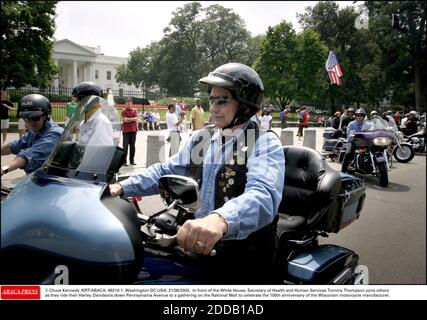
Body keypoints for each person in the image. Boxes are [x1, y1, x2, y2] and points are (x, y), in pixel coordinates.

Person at [109, 63, 285, 283]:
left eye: (222, 100)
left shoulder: (262, 142)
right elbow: (167, 170)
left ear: (245, 104)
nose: (214, 108)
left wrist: (220, 220)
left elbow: (263, 195)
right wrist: (120, 187)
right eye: (212, 100)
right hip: (193, 244)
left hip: (239, 255)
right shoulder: (204, 138)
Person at [1, 94, 64, 176]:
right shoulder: (35, 130)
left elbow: (28, 155)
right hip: (36, 180)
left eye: (35, 118)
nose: (30, 123)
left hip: (52, 183)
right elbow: (16, 145)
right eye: (26, 118)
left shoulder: (55, 134)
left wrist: (3, 169)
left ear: (45, 116)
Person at [72, 81, 114, 146]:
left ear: (90, 101)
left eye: (78, 100)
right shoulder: (83, 123)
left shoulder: (101, 122)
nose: (76, 104)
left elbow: (102, 152)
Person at [341, 108, 370, 173]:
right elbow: (349, 133)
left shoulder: (367, 124)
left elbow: (373, 130)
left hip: (365, 142)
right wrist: (352, 135)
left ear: (363, 116)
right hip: (353, 141)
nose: (359, 117)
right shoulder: (351, 124)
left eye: (361, 115)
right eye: (358, 115)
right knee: (348, 154)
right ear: (356, 116)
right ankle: (343, 172)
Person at [121, 97, 138, 166]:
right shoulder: (123, 111)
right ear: (125, 104)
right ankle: (124, 161)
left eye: (130, 103)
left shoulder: (134, 110)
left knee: (132, 147)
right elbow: (125, 120)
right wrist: (133, 119)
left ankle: (132, 160)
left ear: (132, 104)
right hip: (126, 131)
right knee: (125, 147)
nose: (128, 104)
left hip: (133, 131)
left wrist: (129, 119)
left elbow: (136, 118)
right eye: (127, 103)